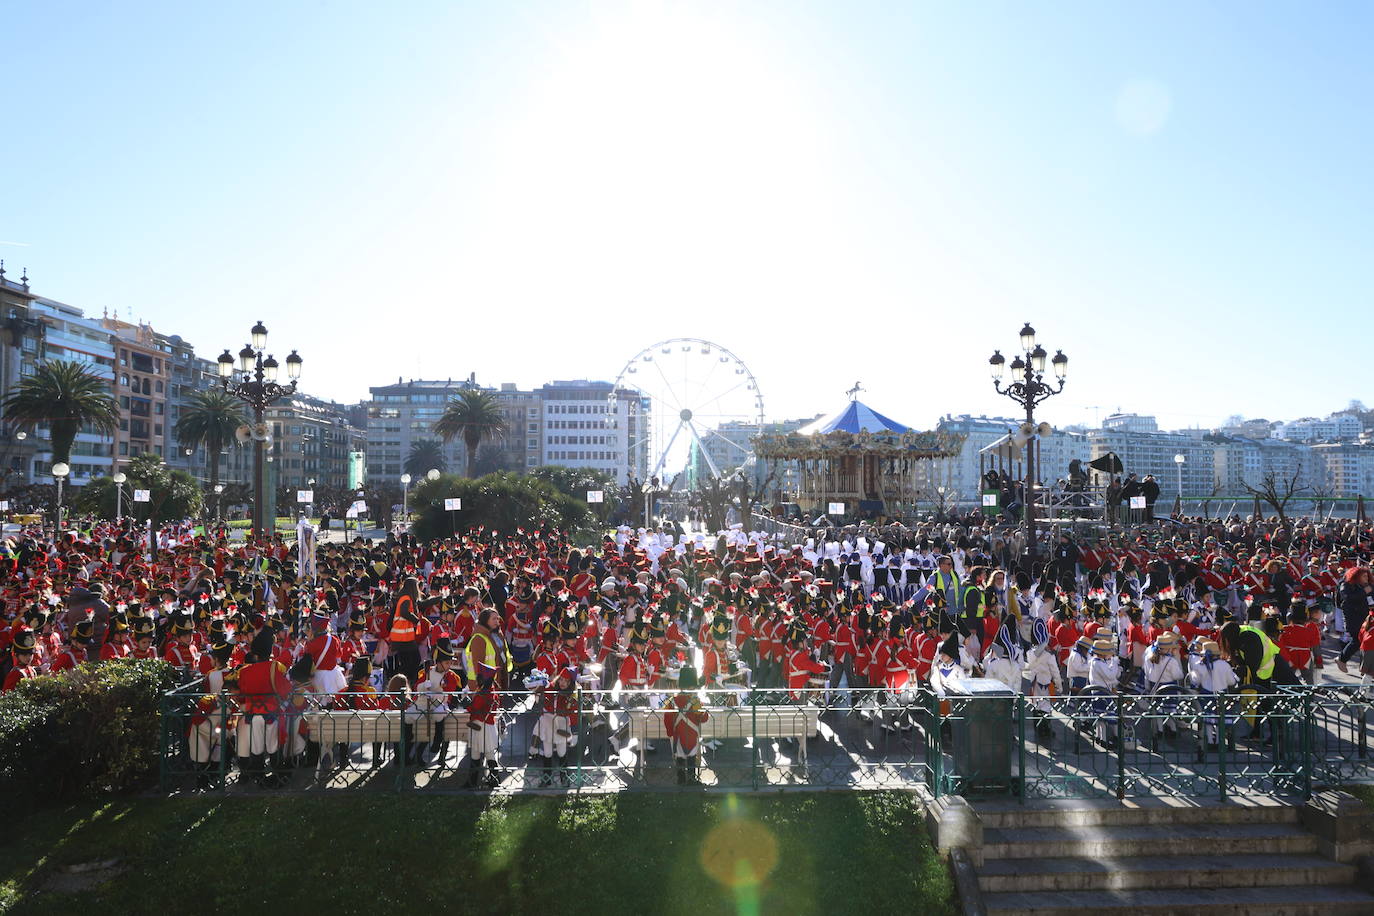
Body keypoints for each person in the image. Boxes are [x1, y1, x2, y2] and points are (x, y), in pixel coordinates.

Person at [663, 664, 709, 786]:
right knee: (692, 757)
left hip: (678, 735)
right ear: (692, 686)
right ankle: (692, 779)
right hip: (692, 736)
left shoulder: (671, 701)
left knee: (680, 757)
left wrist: (670, 733)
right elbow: (704, 718)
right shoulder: (695, 701)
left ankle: (681, 779)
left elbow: (667, 717)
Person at [463, 661, 503, 788]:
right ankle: (493, 780)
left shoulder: (483, 694)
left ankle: (473, 782)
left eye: (478, 677)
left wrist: (465, 701)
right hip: (487, 727)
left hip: (481, 727)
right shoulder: (491, 691)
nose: (476, 679)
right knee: (489, 754)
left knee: (476, 754)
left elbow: (473, 708)